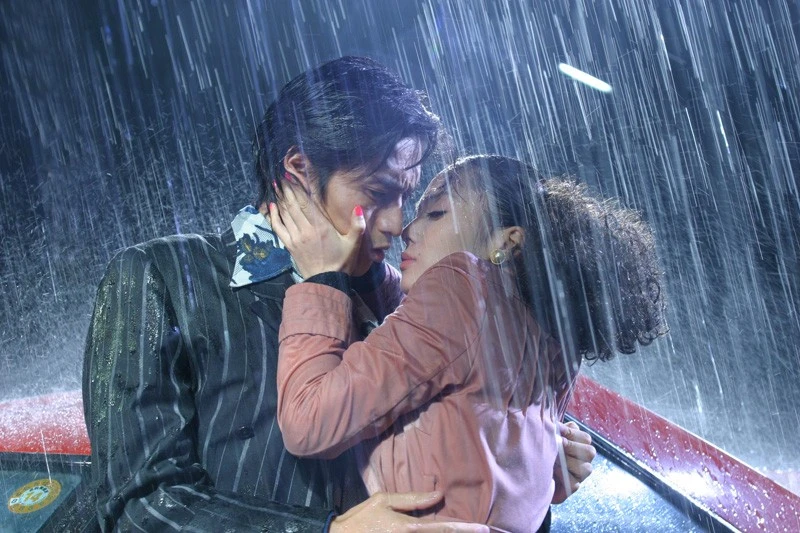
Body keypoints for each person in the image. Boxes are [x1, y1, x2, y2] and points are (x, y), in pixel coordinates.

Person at [82, 56, 594, 532]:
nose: (397, 224)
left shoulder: (412, 304)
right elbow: (140, 507)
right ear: (300, 173)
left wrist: (529, 475)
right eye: (377, 194)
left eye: (407, 197)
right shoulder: (162, 277)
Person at [270, 155, 668, 531]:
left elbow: (309, 421)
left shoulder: (461, 287)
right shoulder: (554, 336)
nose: (407, 229)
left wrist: (324, 278)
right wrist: (553, 471)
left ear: (507, 242)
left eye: (436, 214)